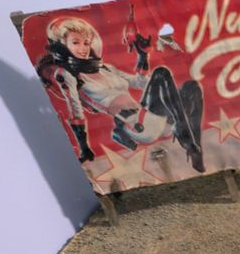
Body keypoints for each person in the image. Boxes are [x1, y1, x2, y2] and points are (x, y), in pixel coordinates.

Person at [36, 16, 205, 172]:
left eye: (86, 43)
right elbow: (75, 109)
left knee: (191, 87)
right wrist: (84, 146)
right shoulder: (68, 75)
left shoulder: (106, 68)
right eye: (75, 42)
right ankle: (189, 143)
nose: (83, 49)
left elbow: (140, 83)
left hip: (149, 114)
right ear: (61, 46)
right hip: (135, 125)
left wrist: (143, 55)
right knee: (161, 72)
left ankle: (195, 148)